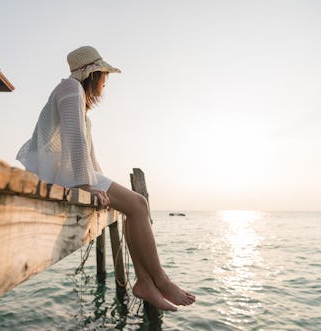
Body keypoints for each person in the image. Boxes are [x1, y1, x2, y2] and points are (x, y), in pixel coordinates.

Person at [16, 46, 195, 311]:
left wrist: (103, 188)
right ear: (93, 73)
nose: (105, 81)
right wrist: (86, 186)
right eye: (104, 75)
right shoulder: (70, 89)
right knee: (138, 205)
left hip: (74, 174)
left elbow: (89, 155)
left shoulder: (77, 99)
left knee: (136, 206)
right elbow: (74, 143)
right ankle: (160, 280)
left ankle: (146, 281)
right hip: (63, 177)